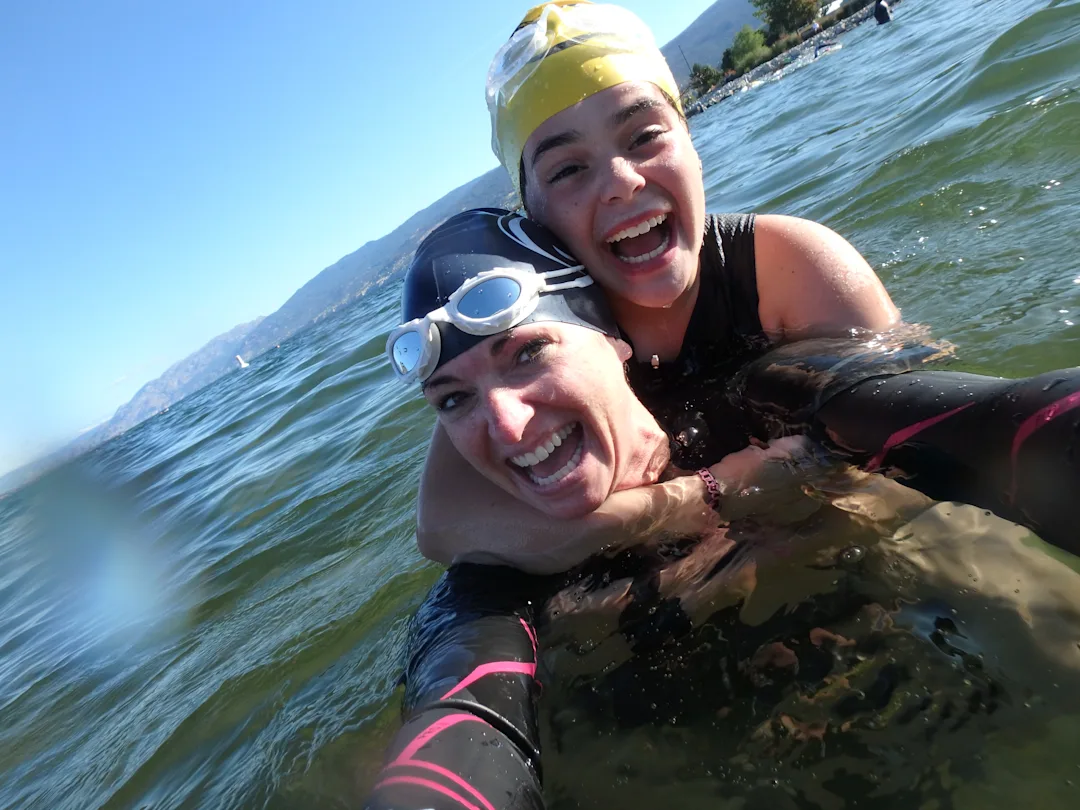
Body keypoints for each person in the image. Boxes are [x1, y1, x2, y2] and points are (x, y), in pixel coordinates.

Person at [367, 209, 1080, 810]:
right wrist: (699, 513)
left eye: (527, 354)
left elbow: (993, 422)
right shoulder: (491, 578)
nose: (508, 426)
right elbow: (457, 726)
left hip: (926, 635)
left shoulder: (762, 403)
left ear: (613, 339)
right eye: (455, 400)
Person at [417, 0, 901, 567]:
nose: (621, 182)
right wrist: (699, 497)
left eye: (644, 135)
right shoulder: (528, 348)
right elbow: (445, 527)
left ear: (689, 138)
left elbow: (907, 444)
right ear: (533, 217)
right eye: (568, 169)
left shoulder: (792, 266)